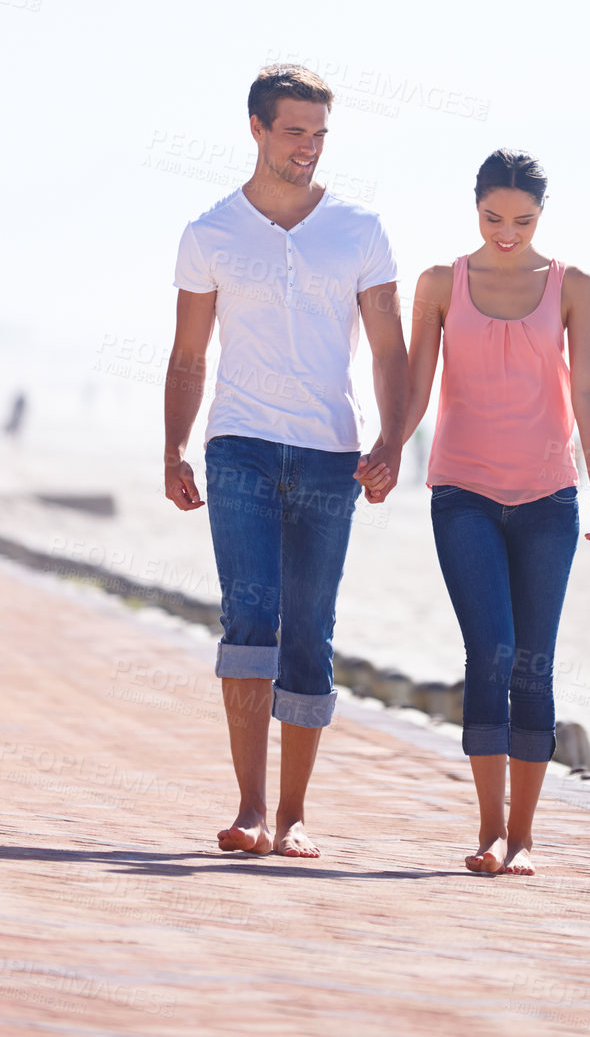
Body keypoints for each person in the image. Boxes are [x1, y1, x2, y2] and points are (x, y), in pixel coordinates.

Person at [163, 64, 407, 858]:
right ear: (258, 129)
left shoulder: (360, 230)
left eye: (320, 133)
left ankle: (296, 814)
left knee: (310, 629)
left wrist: (391, 441)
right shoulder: (210, 233)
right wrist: (173, 445)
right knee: (250, 619)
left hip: (331, 452)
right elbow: (190, 355)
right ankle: (250, 808)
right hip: (240, 445)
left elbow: (389, 350)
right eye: (295, 131)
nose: (310, 147)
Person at [399, 148, 590, 876]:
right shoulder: (438, 284)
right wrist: (386, 449)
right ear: (476, 207)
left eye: (522, 220)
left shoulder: (571, 286)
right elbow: (416, 386)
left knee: (534, 664)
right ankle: (490, 829)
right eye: (493, 217)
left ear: (541, 216)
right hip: (462, 491)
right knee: (488, 652)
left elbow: (587, 388)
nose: (506, 231)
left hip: (549, 499)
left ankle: (524, 835)